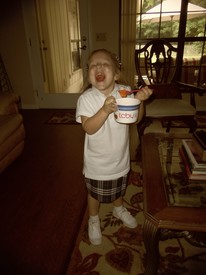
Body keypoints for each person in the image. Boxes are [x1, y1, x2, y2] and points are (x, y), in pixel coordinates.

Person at [76, 49, 152, 245]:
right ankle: (93, 218)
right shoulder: (86, 98)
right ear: (89, 74)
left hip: (120, 159)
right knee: (94, 194)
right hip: (96, 164)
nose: (99, 67)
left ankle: (118, 208)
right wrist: (104, 110)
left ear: (116, 74)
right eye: (93, 65)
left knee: (118, 189)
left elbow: (137, 119)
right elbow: (88, 128)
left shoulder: (125, 91)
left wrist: (140, 102)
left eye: (105, 64)